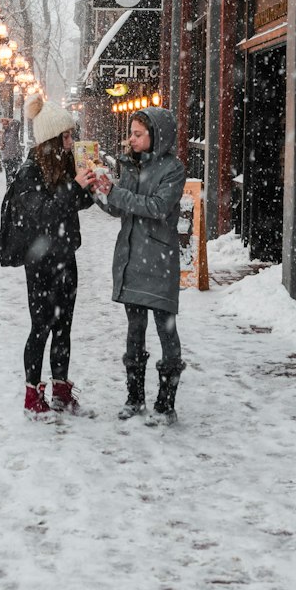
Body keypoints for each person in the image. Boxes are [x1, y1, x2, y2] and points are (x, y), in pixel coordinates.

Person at [0, 96, 95, 416]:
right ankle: (32, 394)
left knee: (63, 326)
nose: (71, 141)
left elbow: (73, 206)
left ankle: (61, 389)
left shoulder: (63, 166)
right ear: (51, 139)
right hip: (40, 262)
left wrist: (90, 186)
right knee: (41, 326)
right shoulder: (29, 174)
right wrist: (73, 189)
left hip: (65, 256)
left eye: (71, 134)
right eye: (66, 136)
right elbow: (43, 216)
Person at [96, 106, 187, 424]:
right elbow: (121, 210)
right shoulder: (130, 166)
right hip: (131, 258)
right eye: (131, 133)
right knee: (135, 333)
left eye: (137, 134)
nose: (131, 139)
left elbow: (159, 207)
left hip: (159, 261)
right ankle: (134, 398)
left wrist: (116, 192)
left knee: (166, 332)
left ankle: (166, 404)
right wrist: (100, 191)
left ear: (156, 136)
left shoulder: (174, 169)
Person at [0, 115, 22, 187]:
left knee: (17, 176)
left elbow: (18, 123)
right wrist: (0, 144)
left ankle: (17, 192)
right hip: (6, 159)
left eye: (5, 123)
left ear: (8, 123)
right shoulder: (1, 133)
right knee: (8, 178)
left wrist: (9, 119)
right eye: (2, 123)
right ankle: (9, 192)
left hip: (16, 157)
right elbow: (0, 147)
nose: (4, 124)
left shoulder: (13, 130)